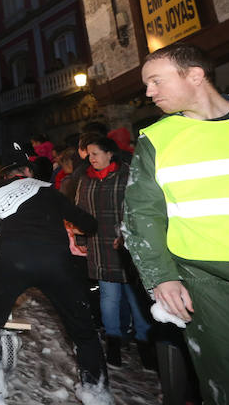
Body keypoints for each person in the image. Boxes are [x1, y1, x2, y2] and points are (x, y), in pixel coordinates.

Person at [123, 43, 229, 405]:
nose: (149, 93)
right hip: (208, 281)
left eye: (156, 81)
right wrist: (161, 277)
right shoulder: (157, 138)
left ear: (195, 75)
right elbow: (141, 215)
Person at [0, 142, 110, 405]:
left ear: (5, 174)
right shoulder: (48, 191)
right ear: (28, 171)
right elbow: (88, 223)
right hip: (57, 263)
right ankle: (96, 392)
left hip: (13, 261)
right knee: (82, 329)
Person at [75, 136, 153, 368]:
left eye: (96, 153)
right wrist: (80, 237)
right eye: (89, 154)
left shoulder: (127, 176)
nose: (92, 158)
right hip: (99, 245)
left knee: (135, 298)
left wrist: (130, 236)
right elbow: (80, 210)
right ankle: (114, 344)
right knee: (109, 298)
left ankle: (145, 344)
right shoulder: (86, 179)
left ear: (110, 154)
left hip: (126, 247)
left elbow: (137, 209)